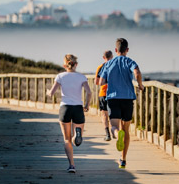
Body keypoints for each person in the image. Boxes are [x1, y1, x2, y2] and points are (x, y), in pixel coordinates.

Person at [99, 38, 144, 169]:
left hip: (113, 98)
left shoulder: (108, 63)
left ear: (116, 50)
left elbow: (101, 81)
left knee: (114, 127)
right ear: (127, 50)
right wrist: (140, 85)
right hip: (128, 99)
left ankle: (117, 133)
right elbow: (137, 72)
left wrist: (110, 80)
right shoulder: (130, 61)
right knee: (126, 129)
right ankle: (123, 159)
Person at [47, 54, 92, 173]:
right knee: (75, 139)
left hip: (65, 108)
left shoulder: (60, 76)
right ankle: (76, 135)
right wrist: (86, 105)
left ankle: (72, 165)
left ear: (64, 65)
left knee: (66, 139)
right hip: (78, 108)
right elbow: (89, 92)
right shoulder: (82, 77)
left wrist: (48, 93)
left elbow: (51, 93)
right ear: (76, 64)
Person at [95, 50, 114, 141]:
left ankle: (107, 134)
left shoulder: (100, 67)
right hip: (114, 93)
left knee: (104, 115)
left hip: (103, 93)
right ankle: (116, 131)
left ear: (103, 57)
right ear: (112, 56)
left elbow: (96, 82)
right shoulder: (114, 66)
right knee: (114, 114)